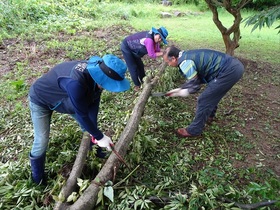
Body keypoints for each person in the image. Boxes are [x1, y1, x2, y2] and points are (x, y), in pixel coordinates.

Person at [28, 54, 130, 184]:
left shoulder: (96, 75)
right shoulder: (76, 83)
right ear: (102, 78)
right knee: (41, 140)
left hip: (64, 99)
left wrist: (97, 135)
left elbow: (94, 103)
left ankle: (96, 152)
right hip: (40, 100)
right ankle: (38, 178)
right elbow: (82, 114)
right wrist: (99, 136)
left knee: (87, 126)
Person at [163, 46, 244, 137]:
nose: (168, 65)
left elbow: (195, 86)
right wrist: (180, 89)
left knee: (204, 99)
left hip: (229, 70)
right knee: (212, 93)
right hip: (232, 65)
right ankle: (209, 116)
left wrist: (181, 92)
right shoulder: (185, 55)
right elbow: (195, 79)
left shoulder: (185, 63)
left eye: (168, 62)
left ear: (173, 58)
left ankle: (194, 130)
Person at [121, 26, 168, 91]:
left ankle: (144, 81)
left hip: (134, 49)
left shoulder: (154, 38)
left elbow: (157, 49)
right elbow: (152, 54)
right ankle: (137, 85)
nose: (160, 40)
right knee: (133, 68)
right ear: (156, 33)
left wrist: (165, 52)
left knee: (140, 65)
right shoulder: (149, 40)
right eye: (159, 37)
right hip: (126, 47)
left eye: (161, 39)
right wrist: (164, 54)